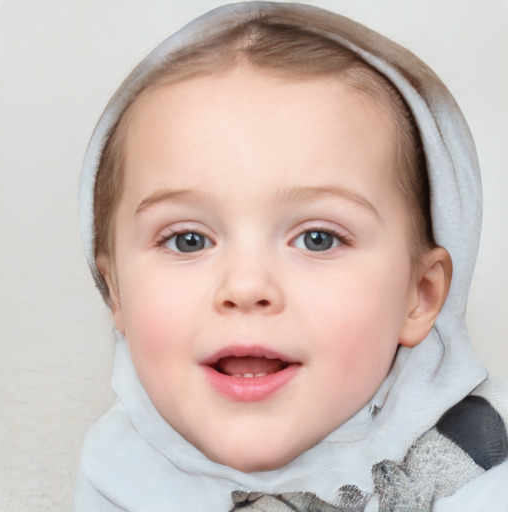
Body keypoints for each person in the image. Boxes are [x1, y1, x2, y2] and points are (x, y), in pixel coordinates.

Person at [75, 3, 508, 510]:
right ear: (117, 291)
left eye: (317, 238)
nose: (246, 285)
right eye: (188, 239)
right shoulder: (117, 473)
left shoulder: (478, 473)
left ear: (421, 294)